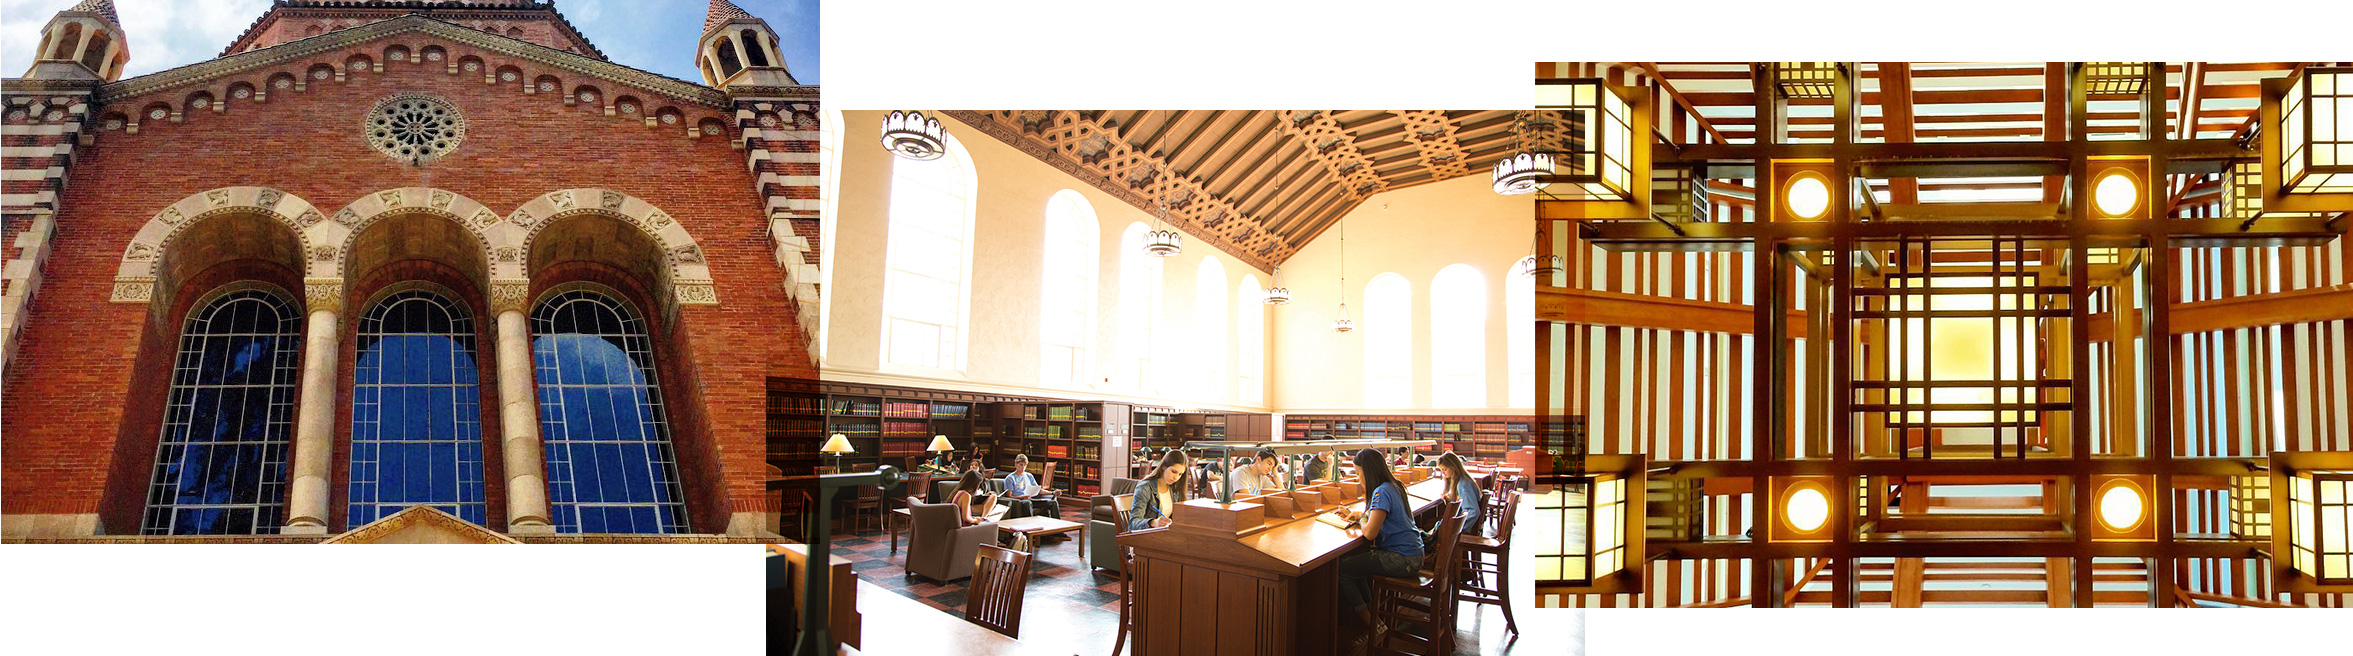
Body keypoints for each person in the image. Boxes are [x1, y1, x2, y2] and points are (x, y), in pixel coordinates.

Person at [1334, 448, 1422, 635]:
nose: (1358, 478)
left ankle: (1372, 624)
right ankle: (1374, 619)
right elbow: (1378, 517)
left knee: (1342, 570)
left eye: (1359, 473)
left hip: (1401, 559)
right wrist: (1362, 515)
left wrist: (1363, 520)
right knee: (1357, 566)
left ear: (1368, 471)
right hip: (1414, 555)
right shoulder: (1394, 485)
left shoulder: (1380, 492)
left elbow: (1370, 534)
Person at [1424, 452, 1483, 551]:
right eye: (1441, 470)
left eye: (1445, 469)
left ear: (1454, 467)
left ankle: (1434, 558)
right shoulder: (1462, 480)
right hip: (1462, 524)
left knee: (1428, 526)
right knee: (1431, 524)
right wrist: (1451, 498)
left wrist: (1456, 528)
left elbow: (1473, 511)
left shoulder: (1463, 485)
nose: (1443, 473)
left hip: (1464, 527)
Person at [1127, 449, 1190, 531]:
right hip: (1146, 536)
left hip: (1165, 535)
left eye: (1180, 474)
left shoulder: (1175, 489)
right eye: (1173, 471)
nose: (1176, 477)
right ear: (1164, 466)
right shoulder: (1145, 488)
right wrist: (1153, 523)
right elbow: (1133, 523)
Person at [1000, 454, 1059, 519]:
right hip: (1021, 501)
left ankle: (1058, 524)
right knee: (1027, 503)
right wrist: (1022, 497)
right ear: (1016, 464)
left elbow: (1038, 490)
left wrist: (1052, 493)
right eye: (1021, 465)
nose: (1023, 467)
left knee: (1053, 503)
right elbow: (1009, 496)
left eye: (1025, 465)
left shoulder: (1029, 476)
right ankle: (1030, 524)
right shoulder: (1010, 478)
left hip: (1032, 499)